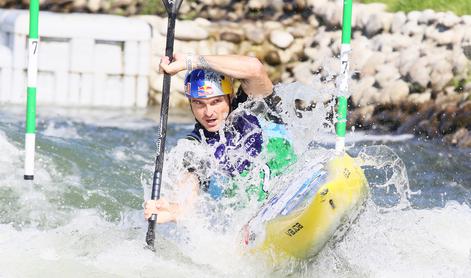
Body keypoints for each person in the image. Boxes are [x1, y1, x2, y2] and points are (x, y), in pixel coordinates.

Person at [144, 53, 297, 223]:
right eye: (199, 103)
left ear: (230, 98)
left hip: (294, 187)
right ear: (190, 104)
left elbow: (254, 68)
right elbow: (187, 197)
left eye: (216, 101)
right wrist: (173, 211)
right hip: (258, 221)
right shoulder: (195, 146)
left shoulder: (254, 106)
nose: (208, 113)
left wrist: (191, 61)